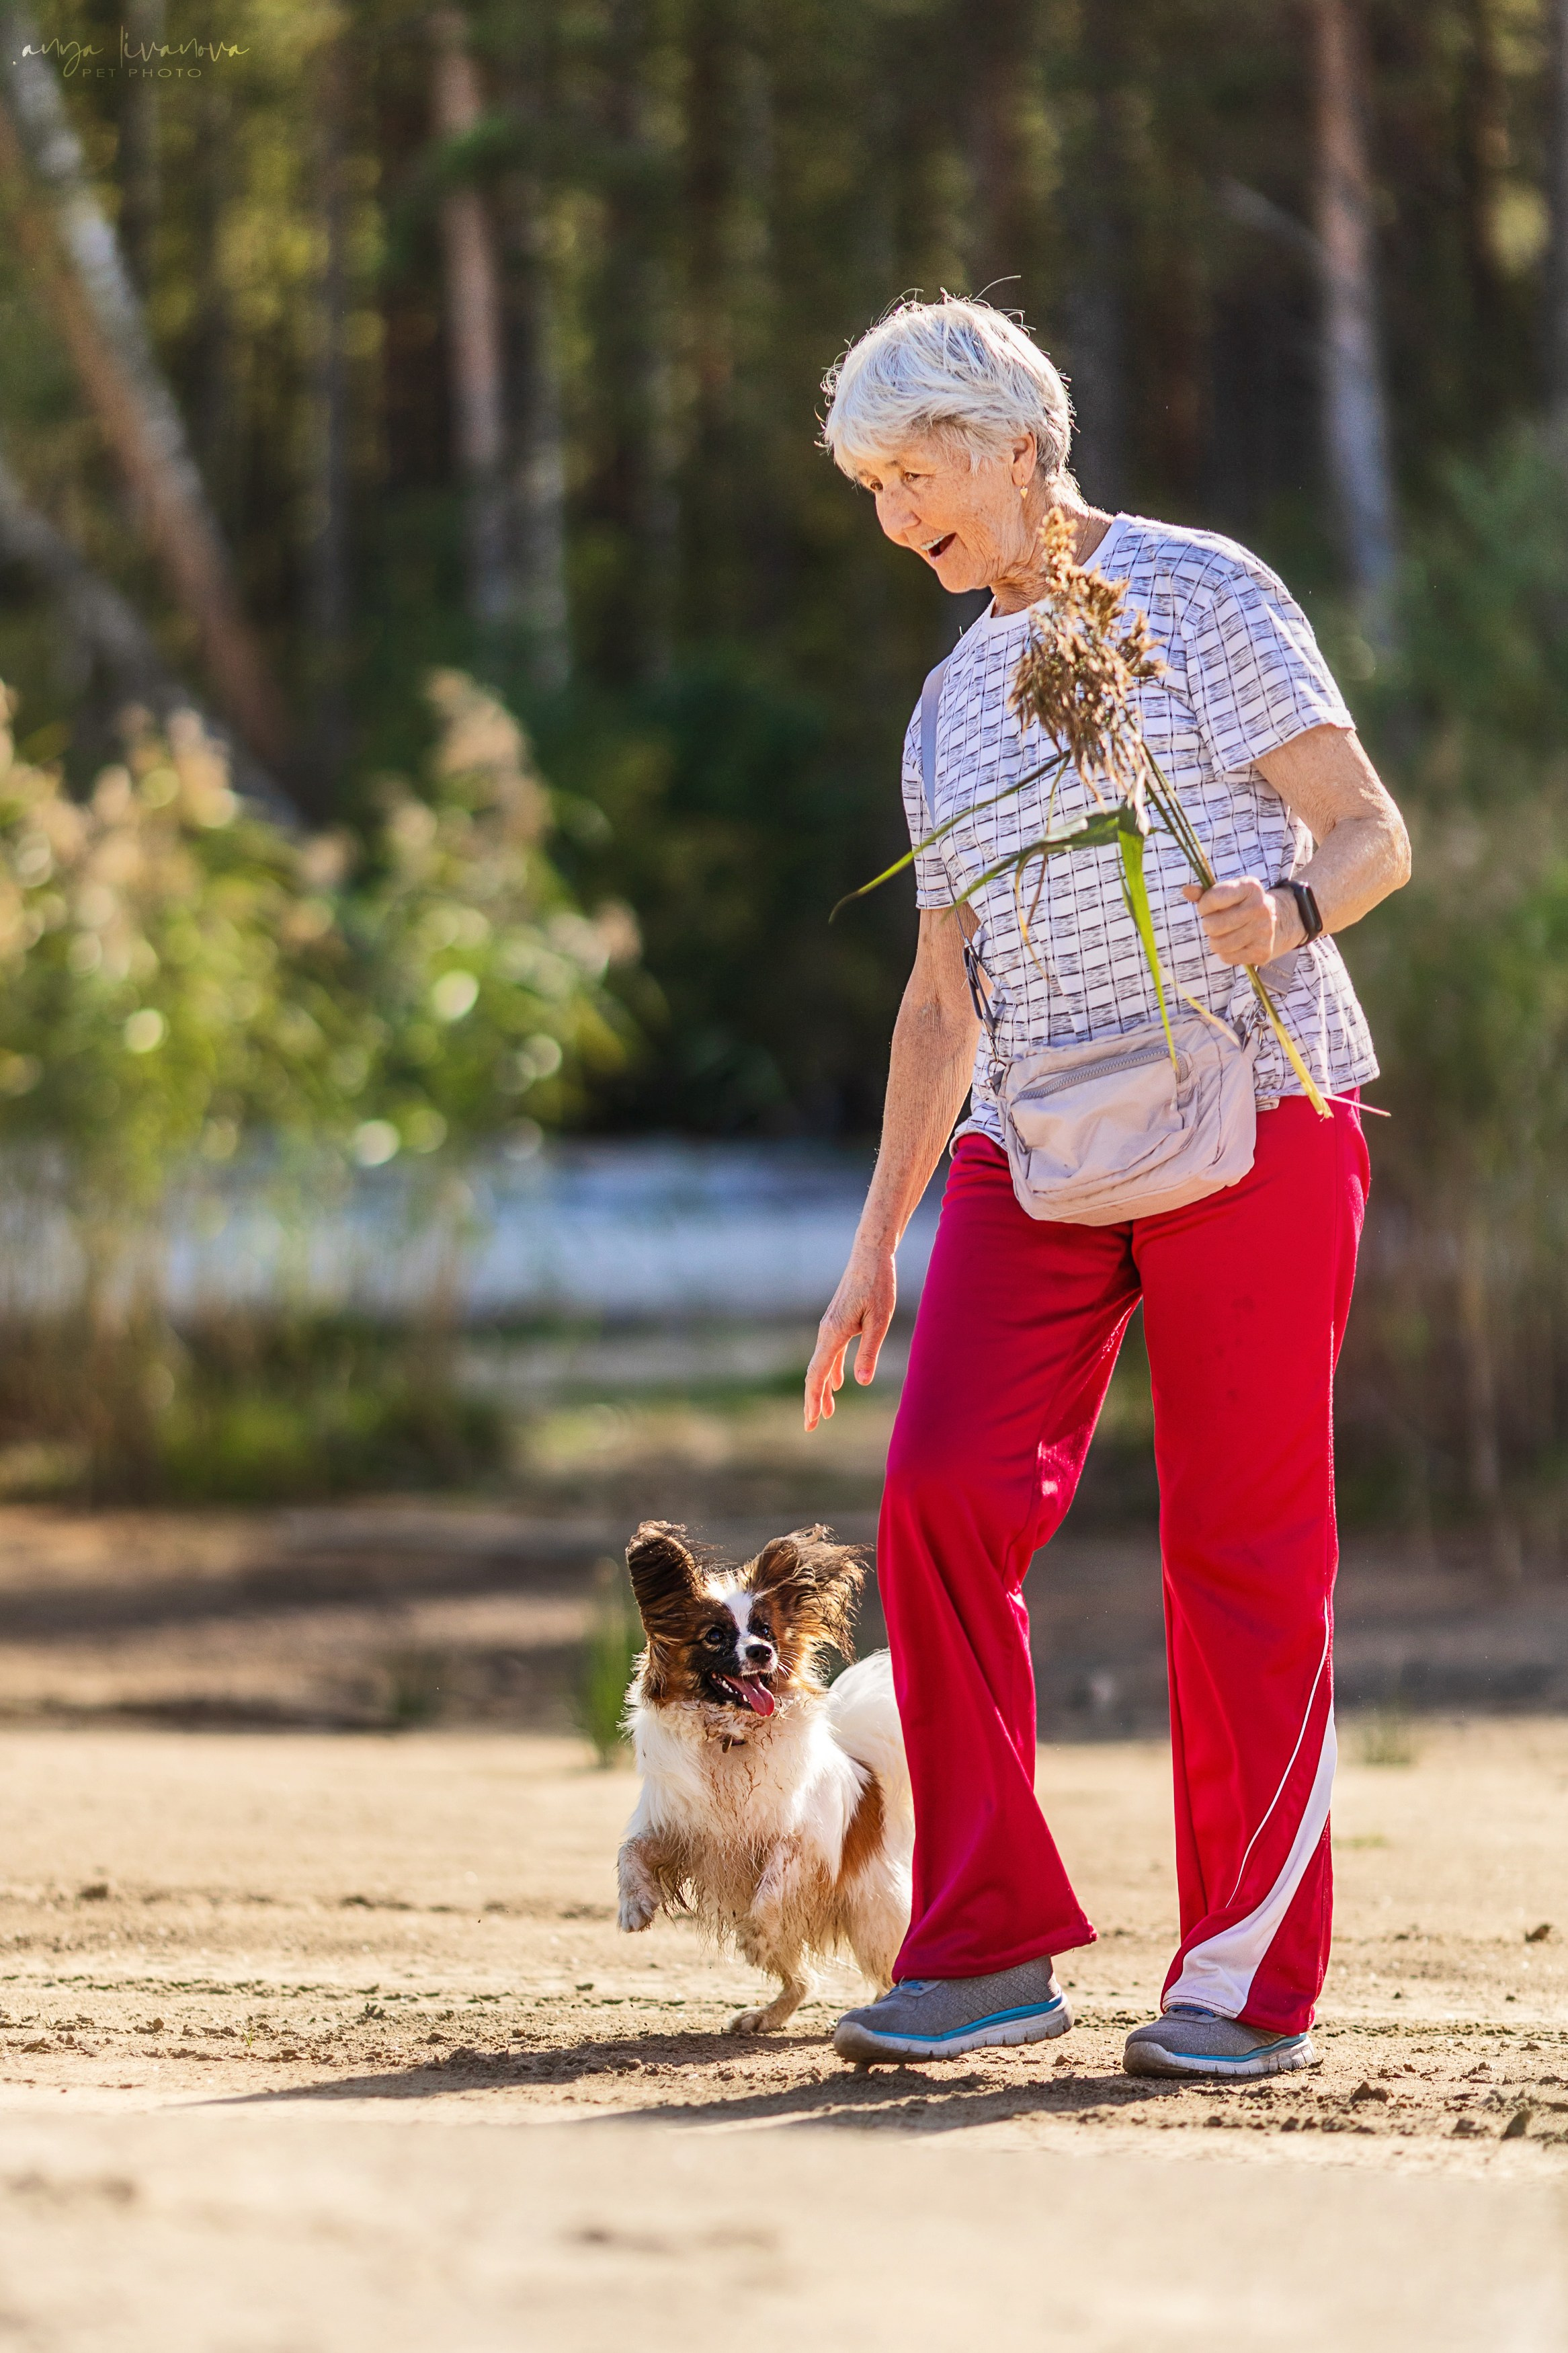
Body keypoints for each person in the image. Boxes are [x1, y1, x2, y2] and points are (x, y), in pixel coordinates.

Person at [806, 296, 1410, 2079]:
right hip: (1039, 1139)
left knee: (1240, 1545)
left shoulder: (1203, 592)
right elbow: (941, 1001)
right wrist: (876, 1241)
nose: (898, 517)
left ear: (1017, 445)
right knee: (940, 1490)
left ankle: (1244, 1979)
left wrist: (1285, 909)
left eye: (917, 476)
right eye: (873, 489)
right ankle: (984, 1940)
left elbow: (1372, 833)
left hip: (1254, 1107)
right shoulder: (943, 708)